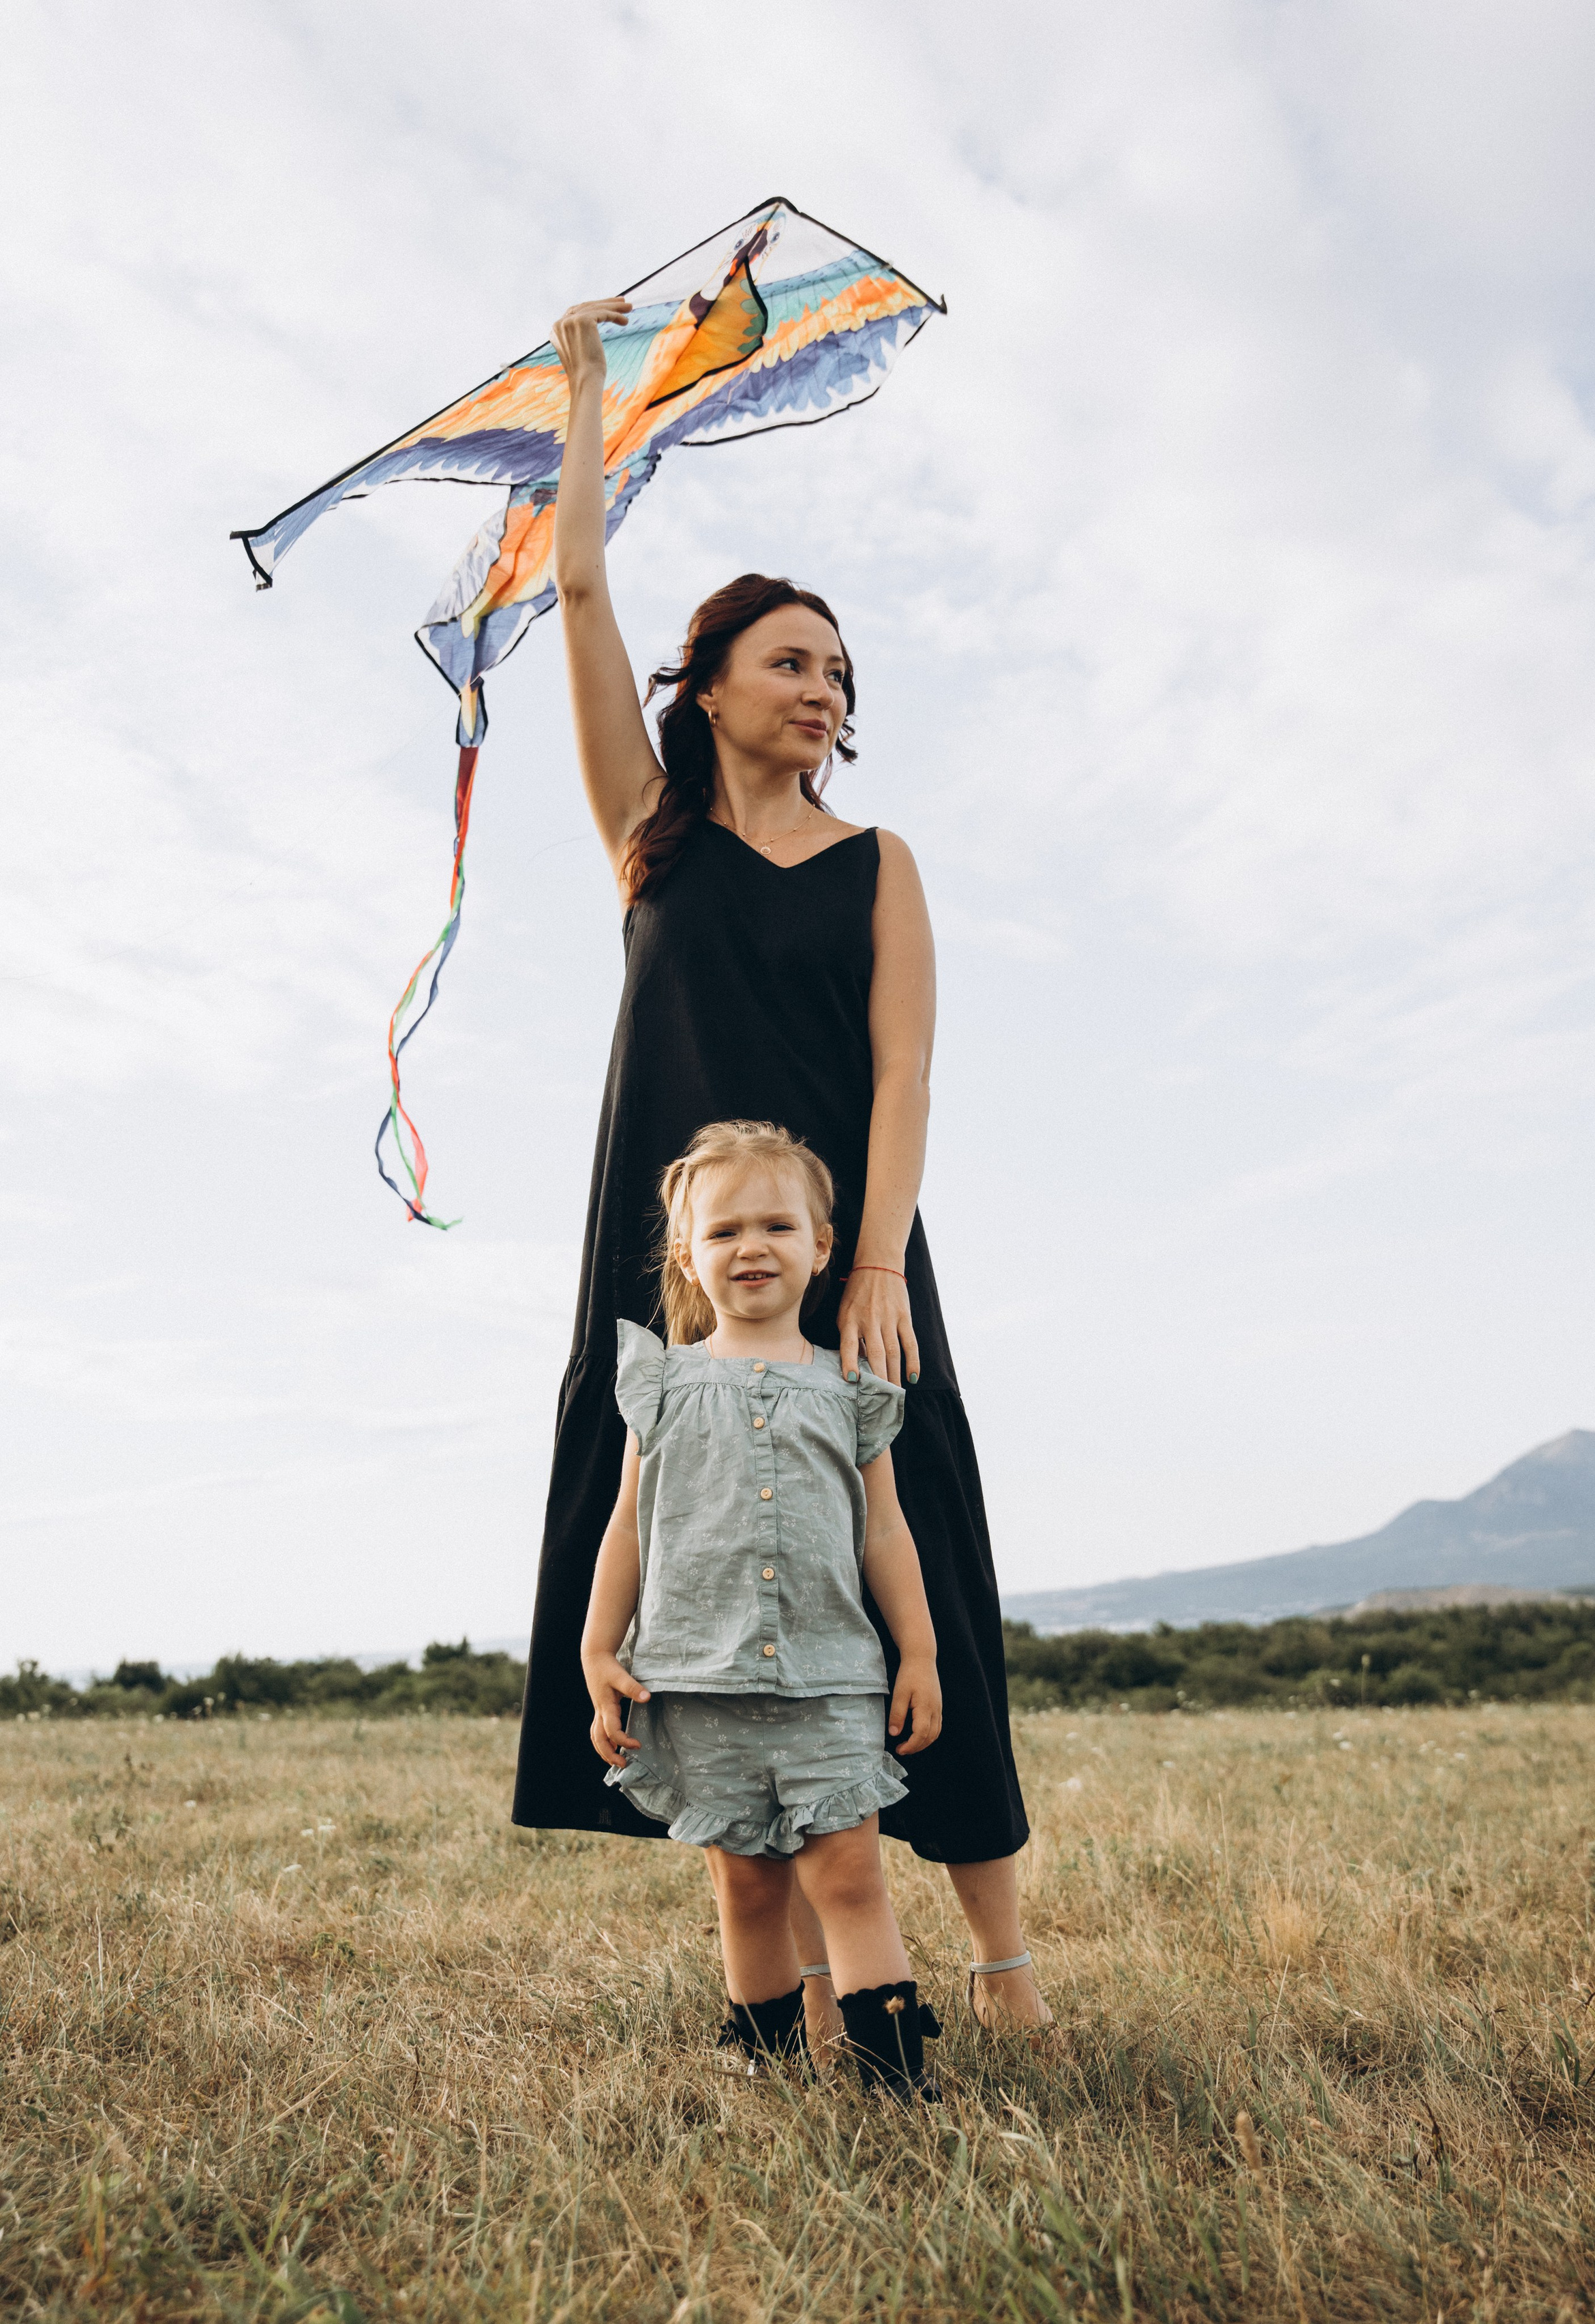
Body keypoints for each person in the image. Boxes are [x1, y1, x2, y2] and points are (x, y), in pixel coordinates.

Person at [511, 292, 1053, 2042]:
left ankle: (1001, 1959)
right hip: (663, 1262)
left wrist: (875, 1260)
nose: (823, 689)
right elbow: (577, 594)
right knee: (684, 1563)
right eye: (792, 661)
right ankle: (800, 1964)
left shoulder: (879, 860)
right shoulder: (643, 839)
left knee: (921, 1570)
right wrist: (589, 413)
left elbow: (904, 1067)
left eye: (839, 670)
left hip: (852, 1257)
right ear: (715, 683)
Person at [583, 1119, 944, 2094]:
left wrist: (919, 1653)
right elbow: (628, 1526)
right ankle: (769, 2067)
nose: (752, 1247)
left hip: (831, 1680)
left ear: (822, 1247)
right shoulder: (659, 1383)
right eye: (725, 1231)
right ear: (688, 1258)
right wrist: (597, 1650)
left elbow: (886, 1532)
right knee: (745, 1886)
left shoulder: (850, 1387)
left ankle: (896, 2079)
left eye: (778, 1225)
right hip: (695, 1683)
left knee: (851, 1877)